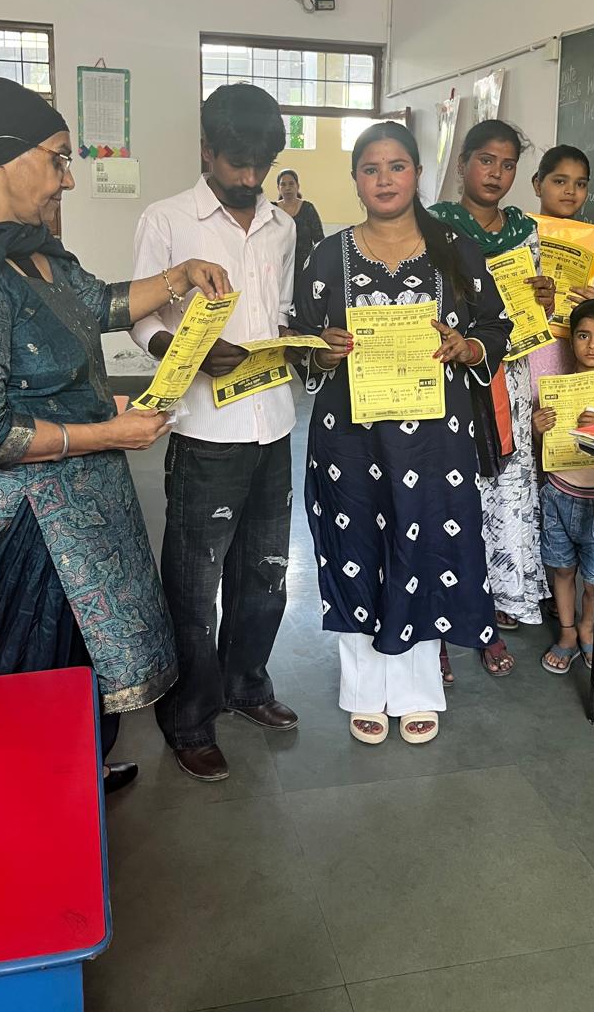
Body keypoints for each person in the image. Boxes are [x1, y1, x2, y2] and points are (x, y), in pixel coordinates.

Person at [0, 75, 230, 796]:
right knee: (26, 673)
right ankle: (28, 813)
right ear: (4, 157)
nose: (68, 179)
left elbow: (93, 303)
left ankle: (73, 773)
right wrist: (108, 431)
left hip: (79, 508)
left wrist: (177, 276)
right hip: (27, 530)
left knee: (78, 662)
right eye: (58, 159)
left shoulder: (32, 250)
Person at [292, 121, 511, 745]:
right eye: (370, 169)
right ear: (355, 179)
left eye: (397, 167)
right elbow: (298, 339)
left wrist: (467, 346)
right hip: (350, 436)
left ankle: (419, 690)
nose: (384, 179)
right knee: (355, 544)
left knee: (427, 548)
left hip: (434, 437)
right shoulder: (327, 256)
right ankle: (363, 688)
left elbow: (496, 328)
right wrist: (320, 352)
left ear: (417, 174)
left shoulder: (456, 249)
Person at [132, 83, 299, 783]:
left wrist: (299, 341)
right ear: (206, 149)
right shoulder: (167, 220)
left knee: (265, 572)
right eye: (236, 161)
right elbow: (138, 318)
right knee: (196, 585)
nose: (250, 177)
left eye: (260, 163)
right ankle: (189, 716)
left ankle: (246, 683)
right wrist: (187, 350)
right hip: (206, 431)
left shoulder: (282, 226)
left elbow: (281, 310)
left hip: (275, 424)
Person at [430, 121, 555, 664]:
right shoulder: (430, 225)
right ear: (462, 164)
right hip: (445, 375)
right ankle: (431, 627)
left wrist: (543, 299)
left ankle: (487, 617)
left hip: (510, 377)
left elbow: (533, 310)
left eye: (507, 166)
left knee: (501, 489)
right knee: (441, 496)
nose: (496, 175)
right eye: (485, 161)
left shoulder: (525, 231)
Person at [532, 299, 594, 673]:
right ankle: (568, 631)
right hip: (558, 492)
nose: (592, 345)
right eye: (583, 335)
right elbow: (545, 450)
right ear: (571, 340)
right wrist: (536, 429)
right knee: (561, 569)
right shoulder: (553, 390)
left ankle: (590, 628)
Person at [527, 144, 594, 397]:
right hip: (525, 354)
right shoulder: (516, 234)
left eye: (580, 184)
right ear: (538, 184)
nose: (570, 191)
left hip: (573, 358)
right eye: (560, 181)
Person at [274, 168, 325, 285]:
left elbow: (320, 241)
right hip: (279, 269)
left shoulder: (308, 208)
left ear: (297, 186)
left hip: (305, 270)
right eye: (283, 184)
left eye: (291, 183)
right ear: (278, 188)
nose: (287, 188)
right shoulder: (273, 210)